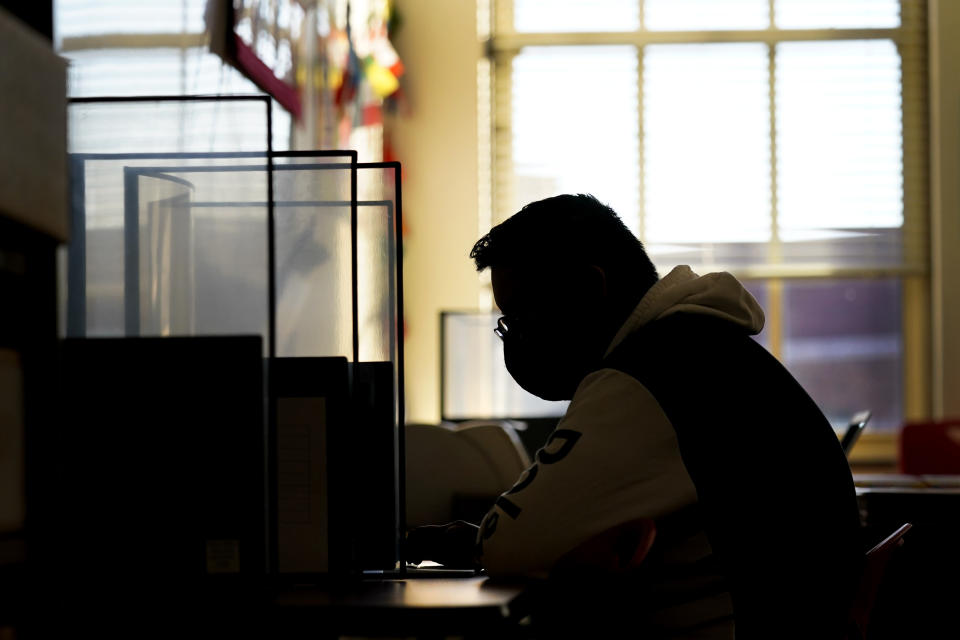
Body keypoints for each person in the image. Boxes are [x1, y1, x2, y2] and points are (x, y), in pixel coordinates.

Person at [406, 194, 862, 639]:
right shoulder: (701, 346)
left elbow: (509, 543)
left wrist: (458, 539)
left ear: (589, 289)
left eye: (522, 318)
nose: (516, 339)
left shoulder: (649, 373)